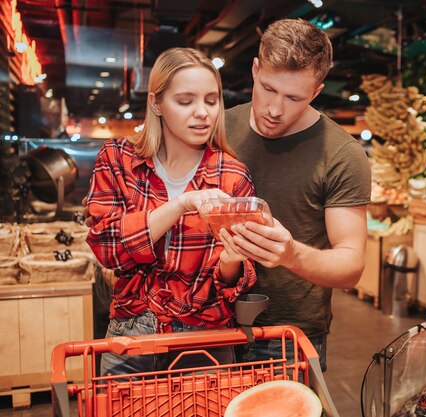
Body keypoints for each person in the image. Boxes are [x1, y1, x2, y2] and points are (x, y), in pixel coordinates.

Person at [86, 47, 257, 376]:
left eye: (211, 100)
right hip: (131, 333)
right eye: (185, 101)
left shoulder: (232, 175)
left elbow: (235, 282)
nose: (202, 113)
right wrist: (181, 204)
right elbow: (108, 248)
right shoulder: (119, 160)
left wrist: (233, 259)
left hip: (206, 339)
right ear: (156, 103)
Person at [223, 18, 371, 370]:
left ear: (317, 92)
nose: (276, 109)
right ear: (255, 69)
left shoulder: (341, 154)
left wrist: (291, 254)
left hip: (288, 338)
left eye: (294, 98)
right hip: (208, 324)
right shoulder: (218, 127)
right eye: (269, 89)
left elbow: (351, 264)